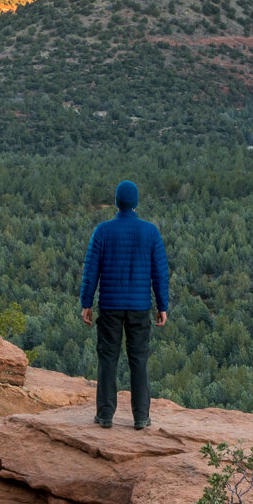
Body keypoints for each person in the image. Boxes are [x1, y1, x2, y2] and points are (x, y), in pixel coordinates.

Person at [80, 179, 169, 430]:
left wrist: (87, 303)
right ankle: (141, 417)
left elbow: (91, 271)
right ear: (136, 203)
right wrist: (162, 306)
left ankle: (105, 415)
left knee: (108, 357)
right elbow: (160, 273)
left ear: (117, 202)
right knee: (138, 359)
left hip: (109, 305)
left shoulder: (103, 231)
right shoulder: (150, 232)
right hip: (140, 307)